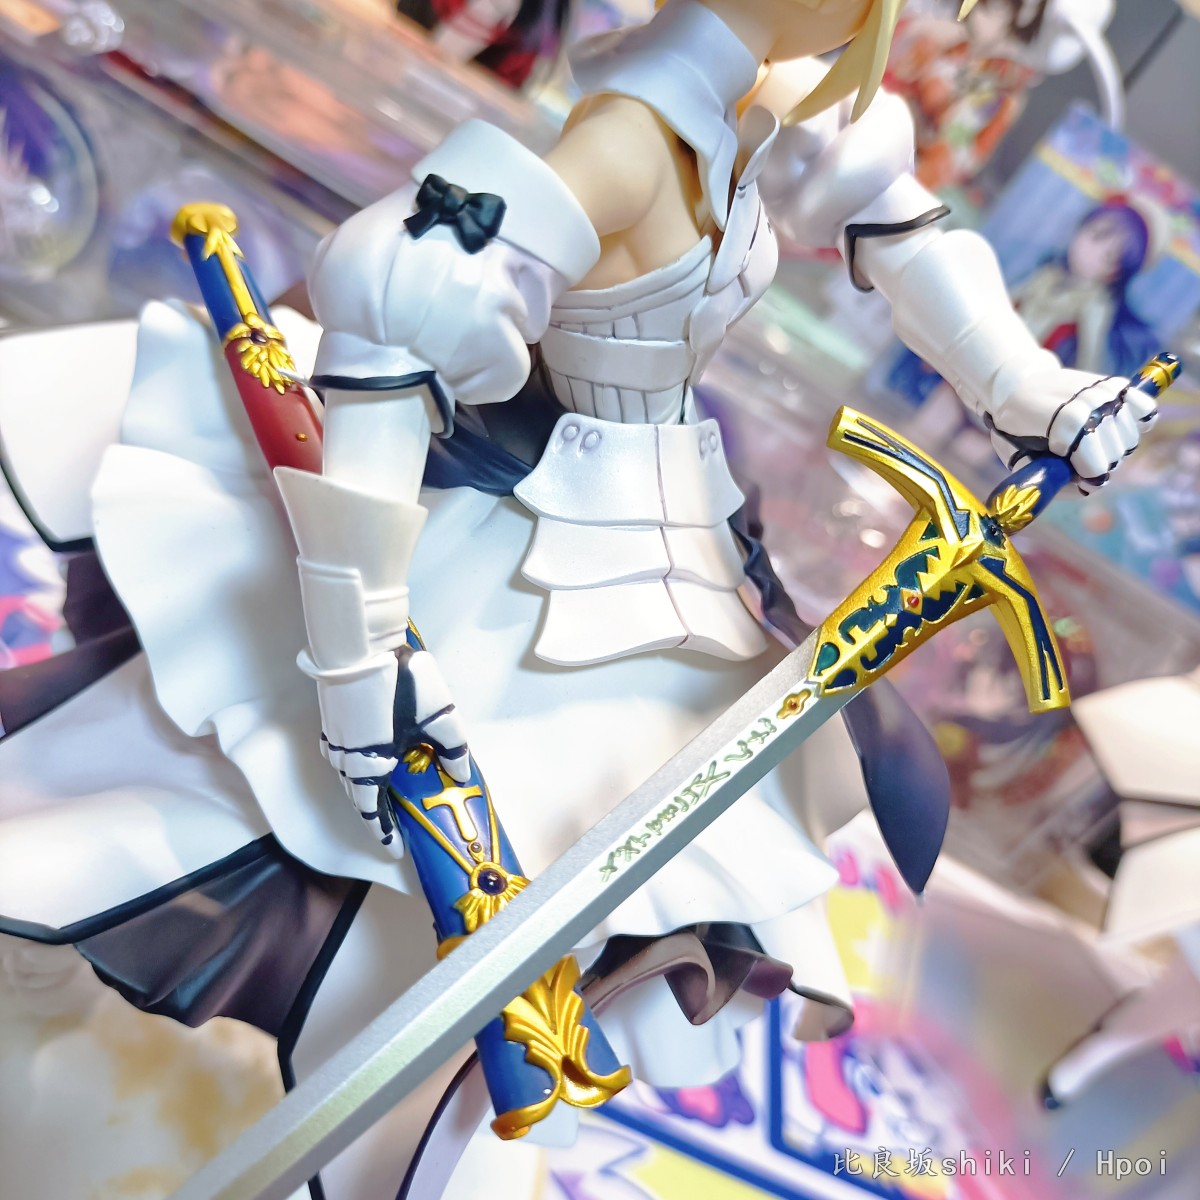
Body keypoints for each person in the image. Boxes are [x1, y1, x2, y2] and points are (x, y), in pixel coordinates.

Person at [0, 1, 1155, 1196]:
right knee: (292, 803)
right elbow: (396, 330)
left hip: (668, 539)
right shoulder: (629, 139)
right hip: (511, 542)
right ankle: (59, 926)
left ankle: (411, 1128)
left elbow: (904, 232)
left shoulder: (762, 107)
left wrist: (1036, 390)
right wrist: (359, 654)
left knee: (568, 885)